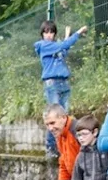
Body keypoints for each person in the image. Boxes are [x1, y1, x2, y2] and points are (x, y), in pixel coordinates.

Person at [34, 20, 88, 157]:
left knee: (64, 117)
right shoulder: (43, 45)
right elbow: (63, 45)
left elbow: (63, 51)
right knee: (53, 117)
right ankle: (50, 147)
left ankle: (63, 146)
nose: (49, 35)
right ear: (42, 34)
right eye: (46, 32)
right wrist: (78, 33)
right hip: (52, 84)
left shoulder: (55, 47)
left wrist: (67, 36)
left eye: (51, 32)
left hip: (64, 83)